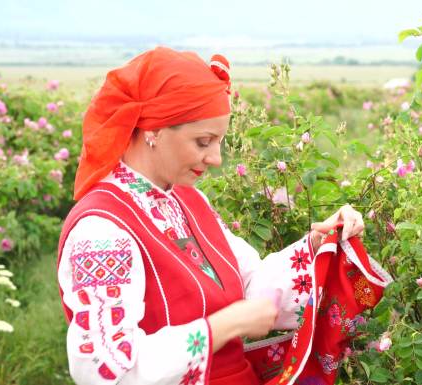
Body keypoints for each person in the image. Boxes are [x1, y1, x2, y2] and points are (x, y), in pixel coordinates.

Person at [56, 47, 367, 385]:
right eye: (203, 142)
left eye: (219, 141)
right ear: (153, 132)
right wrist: (225, 325)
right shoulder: (101, 232)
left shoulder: (188, 200)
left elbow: (250, 287)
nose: (216, 158)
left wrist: (319, 245)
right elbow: (106, 371)